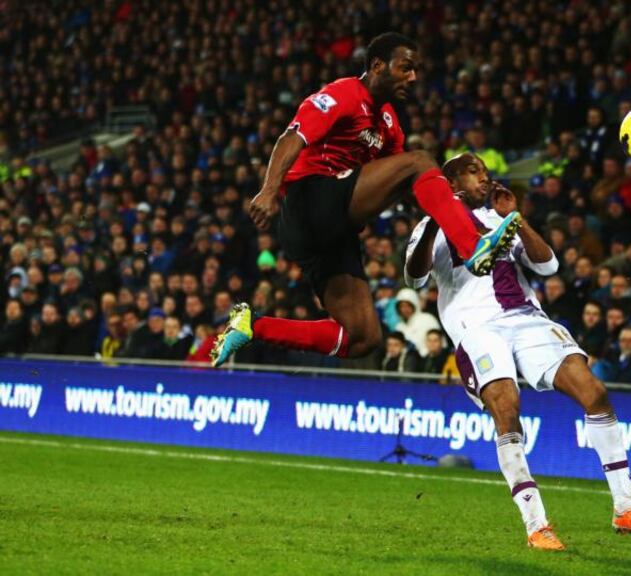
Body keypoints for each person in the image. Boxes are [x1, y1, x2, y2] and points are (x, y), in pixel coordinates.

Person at [404, 153, 631, 550]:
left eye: (486, 173)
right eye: (475, 173)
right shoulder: (431, 227)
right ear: (452, 182)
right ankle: (536, 524)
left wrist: (518, 218)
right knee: (507, 407)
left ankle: (626, 507)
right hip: (477, 328)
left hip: (527, 319)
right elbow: (416, 277)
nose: (485, 179)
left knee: (593, 392)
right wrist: (434, 219)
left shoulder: (502, 220)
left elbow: (549, 266)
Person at [211, 32, 521, 367]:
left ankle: (253, 326)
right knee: (419, 160)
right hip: (309, 200)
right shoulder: (342, 93)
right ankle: (471, 246)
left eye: (415, 70)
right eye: (405, 68)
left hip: (332, 231)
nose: (413, 77)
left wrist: (454, 200)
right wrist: (270, 189)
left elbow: (407, 183)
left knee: (362, 338)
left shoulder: (390, 124)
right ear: (377, 65)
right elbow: (293, 136)